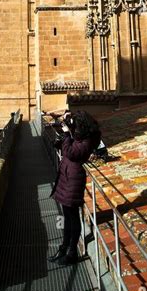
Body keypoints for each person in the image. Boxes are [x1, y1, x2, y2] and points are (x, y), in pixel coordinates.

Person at [48, 110, 102, 265]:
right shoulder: (80, 137)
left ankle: (72, 253)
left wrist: (66, 135)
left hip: (73, 180)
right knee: (67, 217)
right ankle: (63, 248)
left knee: (73, 217)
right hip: (66, 178)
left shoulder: (88, 141)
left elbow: (71, 153)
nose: (74, 128)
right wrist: (63, 136)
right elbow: (68, 147)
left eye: (76, 125)